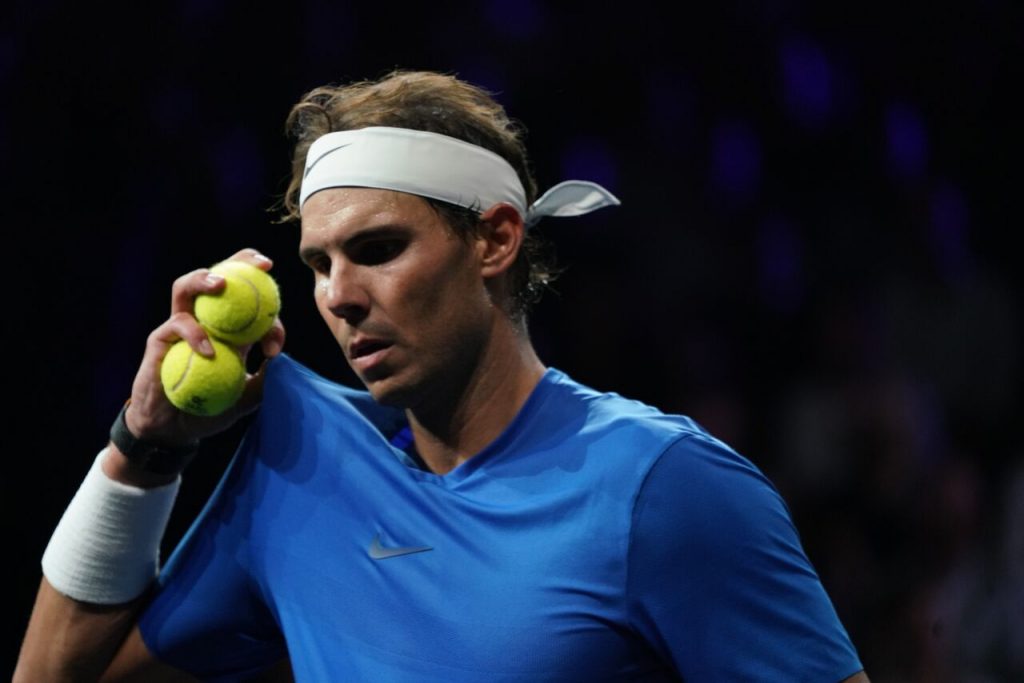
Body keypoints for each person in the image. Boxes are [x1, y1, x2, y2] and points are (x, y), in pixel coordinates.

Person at [15, 70, 869, 682]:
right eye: (318, 264)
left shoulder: (666, 486)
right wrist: (144, 446)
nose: (339, 295)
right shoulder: (298, 463)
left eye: (378, 248)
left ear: (494, 240)